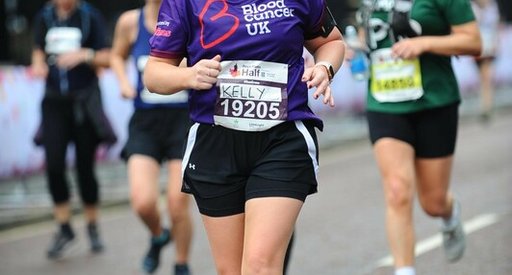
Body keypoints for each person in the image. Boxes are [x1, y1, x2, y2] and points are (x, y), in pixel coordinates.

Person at [143, 0, 345, 274]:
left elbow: (331, 42)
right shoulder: (185, 3)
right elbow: (154, 74)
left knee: (260, 265)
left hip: (282, 140)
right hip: (214, 144)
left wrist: (324, 68)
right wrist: (189, 75)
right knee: (232, 270)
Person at [356, 0, 481, 274]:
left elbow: (473, 41)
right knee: (397, 190)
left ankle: (449, 214)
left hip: (434, 101)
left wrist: (424, 43)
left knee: (433, 203)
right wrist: (353, 47)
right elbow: (368, 31)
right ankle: (404, 270)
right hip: (384, 102)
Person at [110, 0, 193, 274]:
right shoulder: (129, 22)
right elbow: (116, 55)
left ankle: (181, 264)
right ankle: (158, 235)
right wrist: (123, 81)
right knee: (143, 201)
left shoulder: (191, 14)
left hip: (183, 119)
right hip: (145, 122)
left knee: (177, 202)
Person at [30, 0, 114, 259]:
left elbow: (108, 57)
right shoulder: (44, 16)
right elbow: (37, 51)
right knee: (54, 165)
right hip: (54, 102)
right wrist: (38, 64)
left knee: (84, 168)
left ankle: (92, 225)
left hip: (84, 103)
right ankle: (65, 227)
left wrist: (84, 55)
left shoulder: (90, 16)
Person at [471, 0, 500, 122]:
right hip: (479, 47)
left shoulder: (491, 7)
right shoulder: (473, 7)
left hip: (488, 46)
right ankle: (485, 106)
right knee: (484, 79)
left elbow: (495, 26)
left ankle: (486, 107)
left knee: (486, 78)